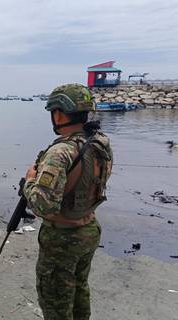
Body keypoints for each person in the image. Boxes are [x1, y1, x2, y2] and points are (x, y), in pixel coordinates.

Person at [23, 84, 113, 320]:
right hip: (89, 228)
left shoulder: (62, 151)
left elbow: (43, 205)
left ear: (59, 113)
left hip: (63, 238)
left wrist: (29, 181)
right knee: (79, 288)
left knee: (54, 300)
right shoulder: (99, 142)